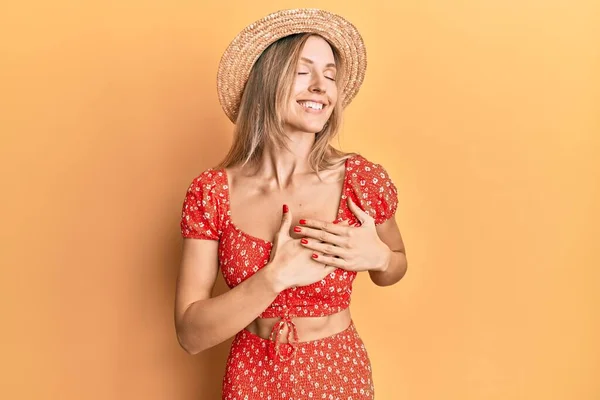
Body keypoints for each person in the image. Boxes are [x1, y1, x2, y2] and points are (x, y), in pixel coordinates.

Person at [174, 8, 408, 399]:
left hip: (339, 374)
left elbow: (396, 263)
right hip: (252, 376)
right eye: (304, 71)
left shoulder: (360, 180)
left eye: (330, 75)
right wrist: (275, 276)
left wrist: (381, 258)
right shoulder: (212, 193)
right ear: (266, 84)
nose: (321, 86)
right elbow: (190, 335)